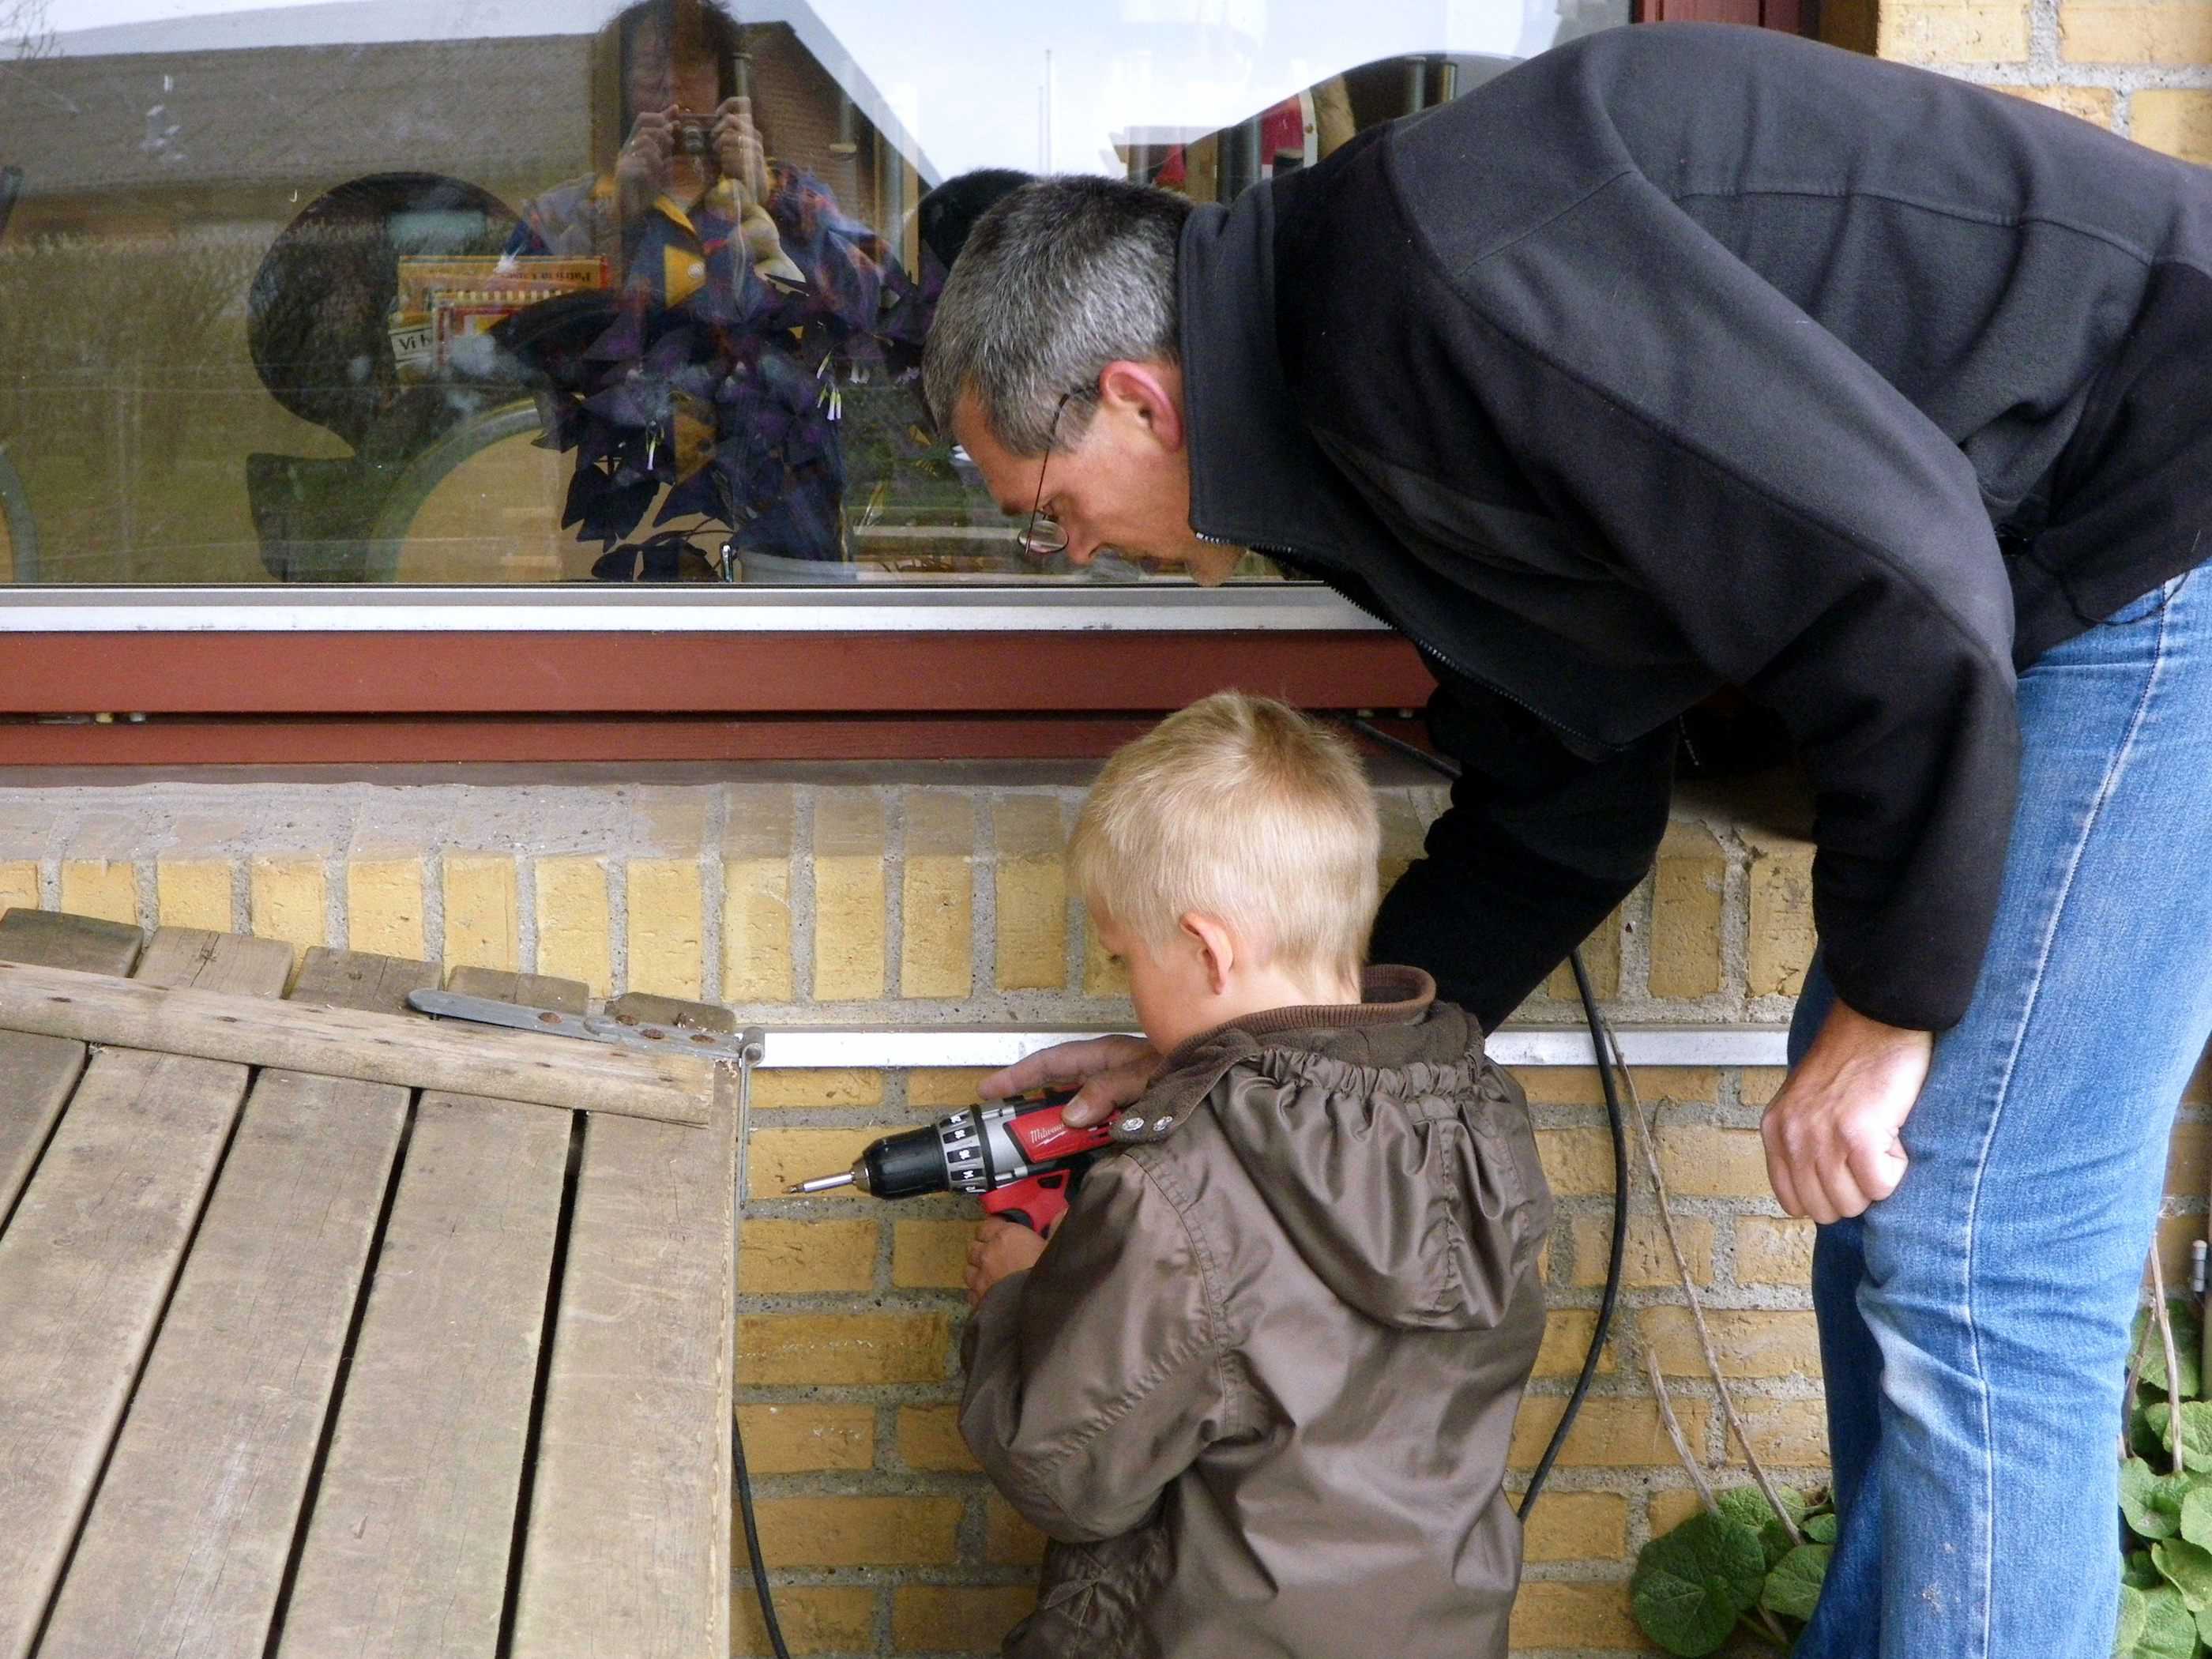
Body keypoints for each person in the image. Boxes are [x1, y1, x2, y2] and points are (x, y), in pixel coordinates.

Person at [932, 23, 2212, 1659]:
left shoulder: (1442, 287)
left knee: (1973, 1252)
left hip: (2158, 516)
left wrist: (1893, 1019)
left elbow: (1904, 586)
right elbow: (1560, 798)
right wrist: (1228, 1061)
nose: (1076, 551)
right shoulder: (1352, 403)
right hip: (2029, 592)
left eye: (1049, 508)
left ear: (1133, 394)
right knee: (1895, 1238)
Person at [958, 691, 1551, 1658]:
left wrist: (1017, 1299)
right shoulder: (1481, 1120)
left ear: (1208, 948)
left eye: (1126, 962)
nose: (1128, 995)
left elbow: (1066, 1472)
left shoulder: (1177, 1188)